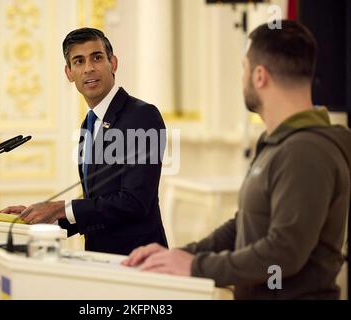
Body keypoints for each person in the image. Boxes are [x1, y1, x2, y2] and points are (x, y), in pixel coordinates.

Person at [122, 20, 351, 299]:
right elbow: (244, 225)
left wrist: (196, 266)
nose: (241, 77)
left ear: (259, 76)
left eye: (243, 67)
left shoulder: (305, 151)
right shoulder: (281, 143)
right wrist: (181, 255)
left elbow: (283, 255)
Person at [0, 27, 168, 255]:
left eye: (97, 58)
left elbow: (134, 202)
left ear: (113, 63)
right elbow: (99, 203)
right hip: (99, 257)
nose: (89, 68)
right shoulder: (88, 125)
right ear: (69, 73)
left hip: (137, 258)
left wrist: (61, 208)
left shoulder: (141, 115)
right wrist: (43, 218)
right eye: (79, 61)